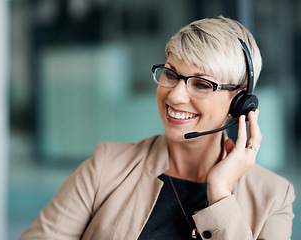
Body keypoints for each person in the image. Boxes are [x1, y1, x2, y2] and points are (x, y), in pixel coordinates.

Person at [19, 16, 295, 240]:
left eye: (201, 84)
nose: (175, 96)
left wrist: (220, 192)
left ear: (240, 101)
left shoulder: (273, 197)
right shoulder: (107, 167)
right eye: (171, 74)